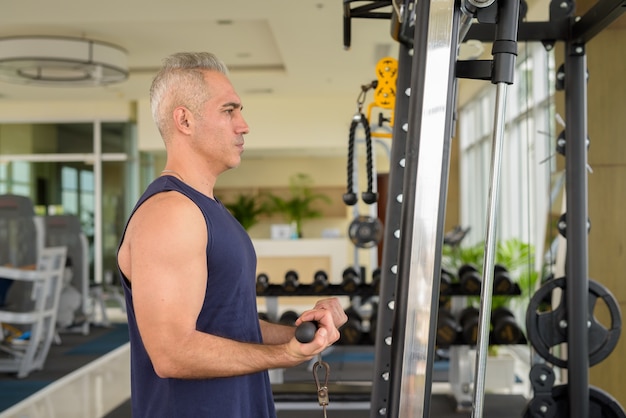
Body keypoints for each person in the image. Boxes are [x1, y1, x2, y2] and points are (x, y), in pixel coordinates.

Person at [116, 52, 348, 418]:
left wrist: (299, 334)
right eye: (229, 110)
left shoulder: (206, 210)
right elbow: (172, 352)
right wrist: (283, 356)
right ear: (185, 120)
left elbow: (228, 323)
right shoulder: (170, 213)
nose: (243, 125)